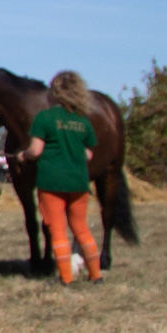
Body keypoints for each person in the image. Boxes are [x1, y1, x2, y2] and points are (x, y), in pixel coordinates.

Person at [19, 70, 101, 284]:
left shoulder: (45, 118)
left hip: (51, 182)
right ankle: (96, 275)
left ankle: (66, 277)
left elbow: (36, 150)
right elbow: (88, 154)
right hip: (79, 182)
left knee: (57, 230)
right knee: (81, 229)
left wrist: (24, 155)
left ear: (55, 93)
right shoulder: (83, 121)